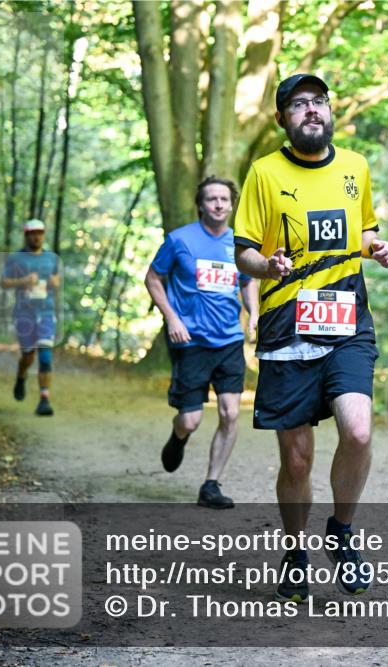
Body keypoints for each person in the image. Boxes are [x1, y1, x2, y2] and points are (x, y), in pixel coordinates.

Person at [234, 73, 388, 603]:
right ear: (282, 118)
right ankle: (295, 551)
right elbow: (245, 252)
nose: (310, 110)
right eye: (298, 104)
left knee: (359, 432)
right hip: (287, 326)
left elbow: (363, 228)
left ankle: (343, 534)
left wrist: (376, 246)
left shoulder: (356, 167)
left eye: (318, 101)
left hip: (347, 319)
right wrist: (268, 265)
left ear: (329, 111)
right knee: (297, 460)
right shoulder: (264, 173)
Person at [145, 175, 259, 510]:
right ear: (200, 204)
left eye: (225, 199)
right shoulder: (179, 240)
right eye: (212, 199)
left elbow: (248, 281)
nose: (219, 205)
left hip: (229, 341)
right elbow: (153, 277)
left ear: (231, 204)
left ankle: (211, 484)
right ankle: (178, 436)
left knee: (229, 414)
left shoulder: (239, 244)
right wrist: (172, 317)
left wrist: (253, 313)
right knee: (190, 419)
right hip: (191, 340)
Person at [0, 219, 60, 416]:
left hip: (46, 312)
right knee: (28, 355)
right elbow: (4, 282)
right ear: (26, 235)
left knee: (45, 354)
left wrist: (54, 282)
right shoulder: (16, 258)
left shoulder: (52, 258)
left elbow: (58, 279)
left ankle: (44, 400)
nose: (37, 236)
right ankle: (21, 376)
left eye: (40, 232)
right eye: (33, 233)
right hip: (24, 313)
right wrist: (23, 281)